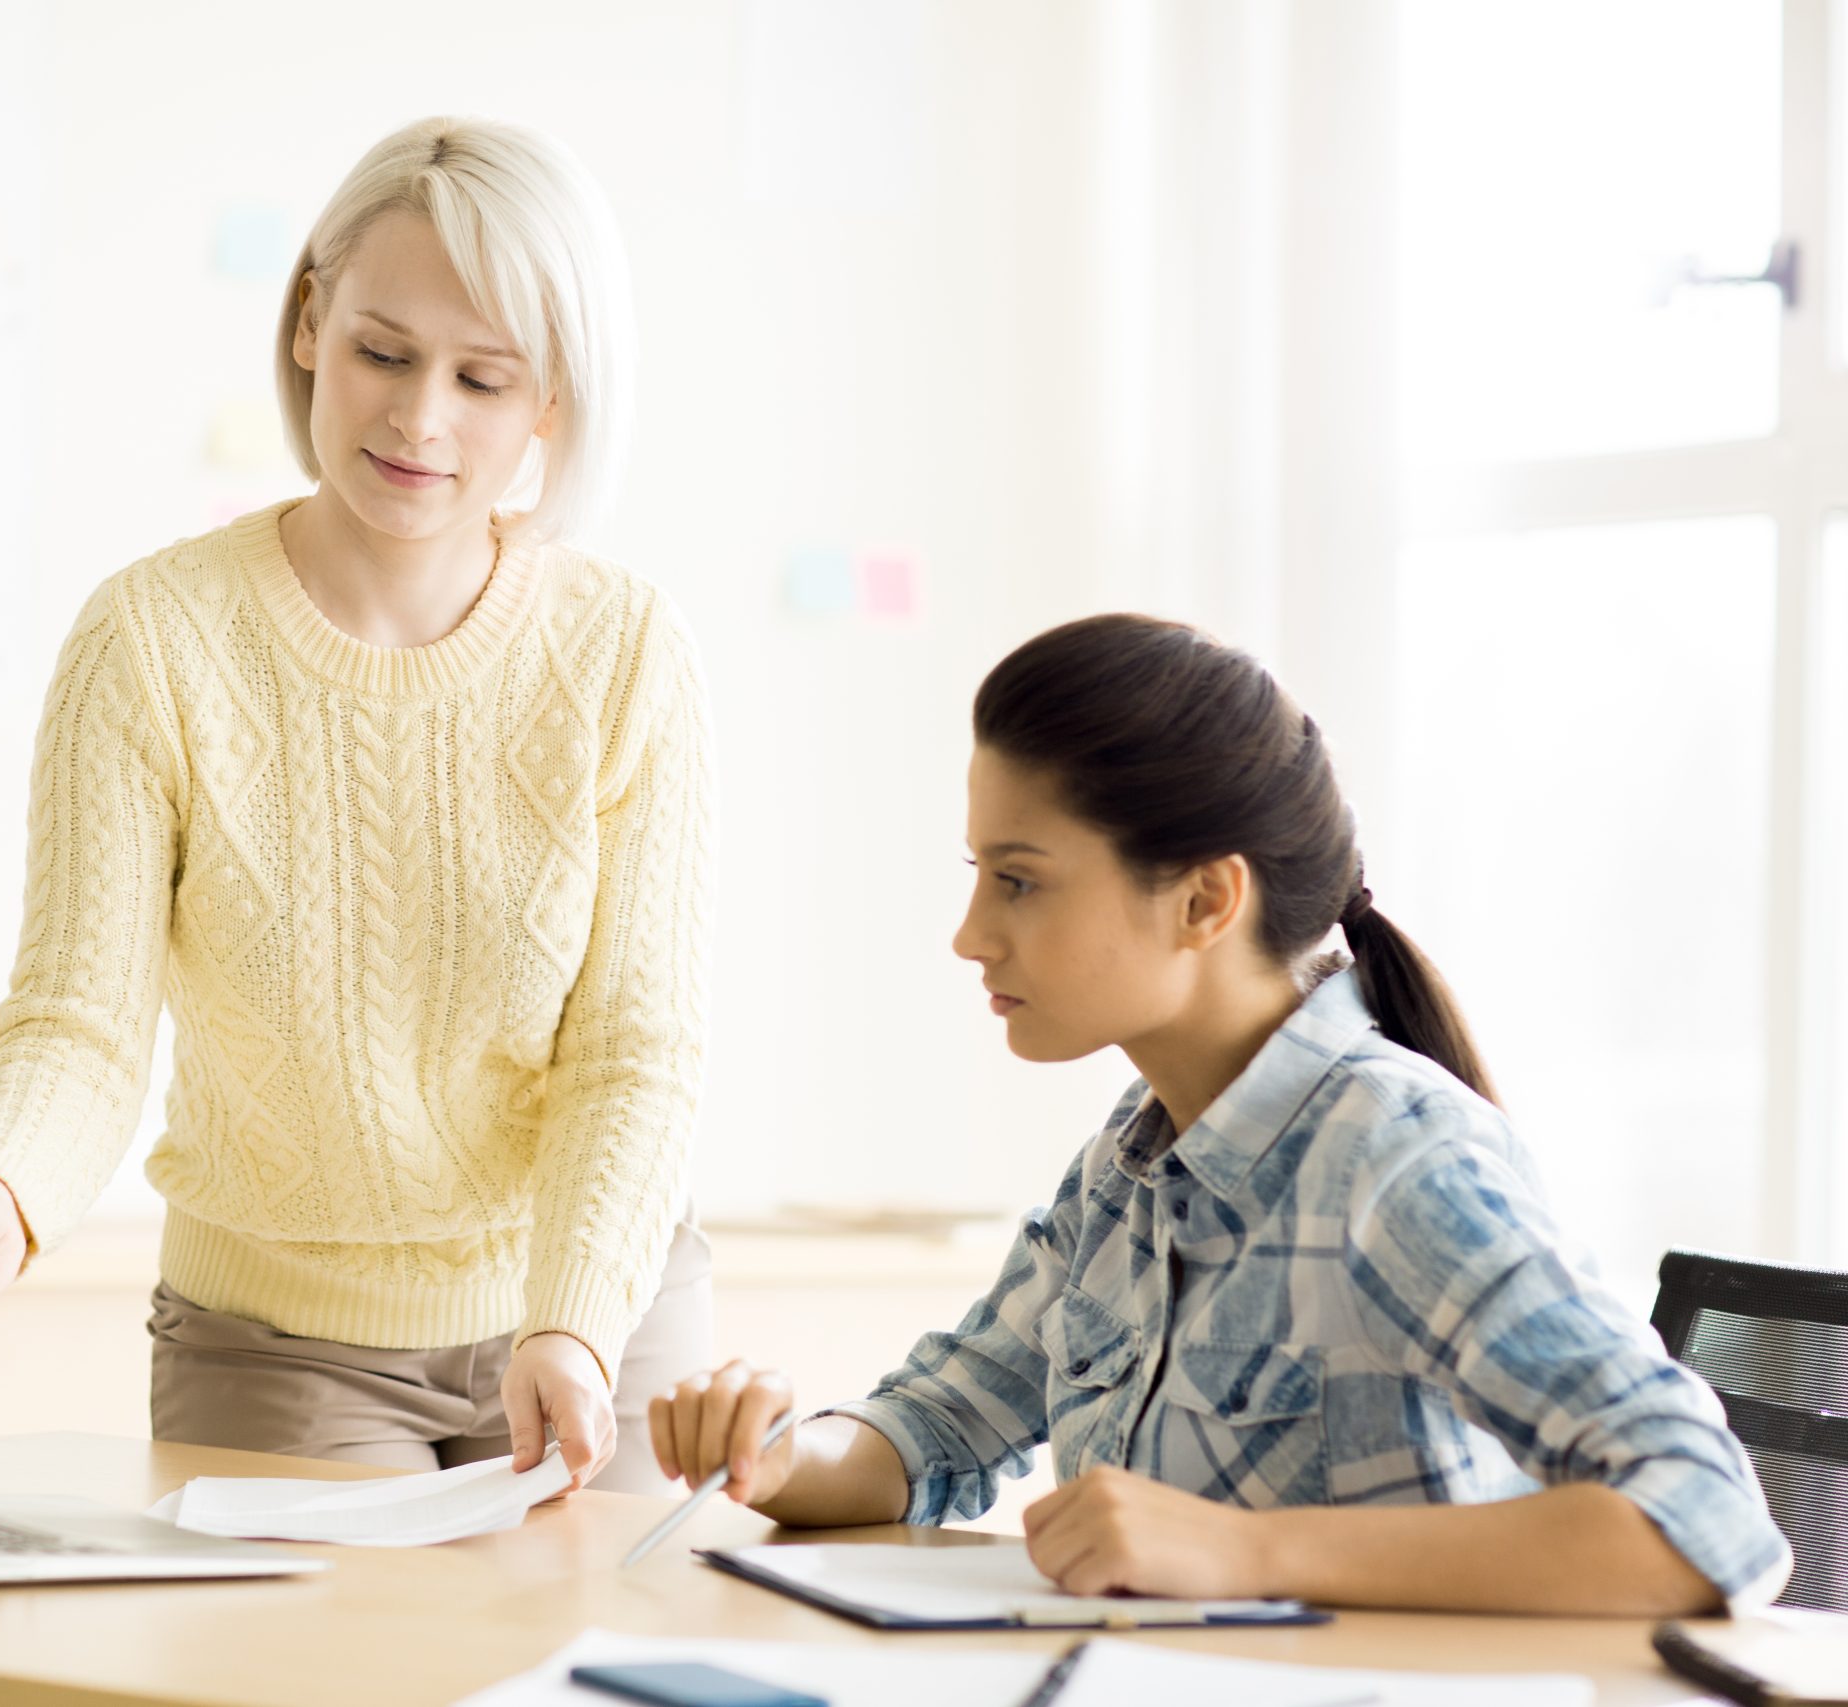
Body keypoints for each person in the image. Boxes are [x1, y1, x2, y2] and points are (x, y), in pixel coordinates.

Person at [0, 116, 715, 1496]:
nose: (419, 417)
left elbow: (634, 1046)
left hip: (593, 1313)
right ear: (311, 319)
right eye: (383, 350)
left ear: (551, 399)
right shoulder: (153, 638)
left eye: (483, 378)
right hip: (280, 1344)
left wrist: (574, 1320)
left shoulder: (625, 651)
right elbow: (79, 1015)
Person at [648, 613, 1790, 1613]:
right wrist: (782, 1453)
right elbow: (937, 1429)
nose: (968, 933)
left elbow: (1708, 1524)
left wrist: (1245, 1552)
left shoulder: (1396, 1159)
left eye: (1018, 879)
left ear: (1204, 899)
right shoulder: (1132, 1159)